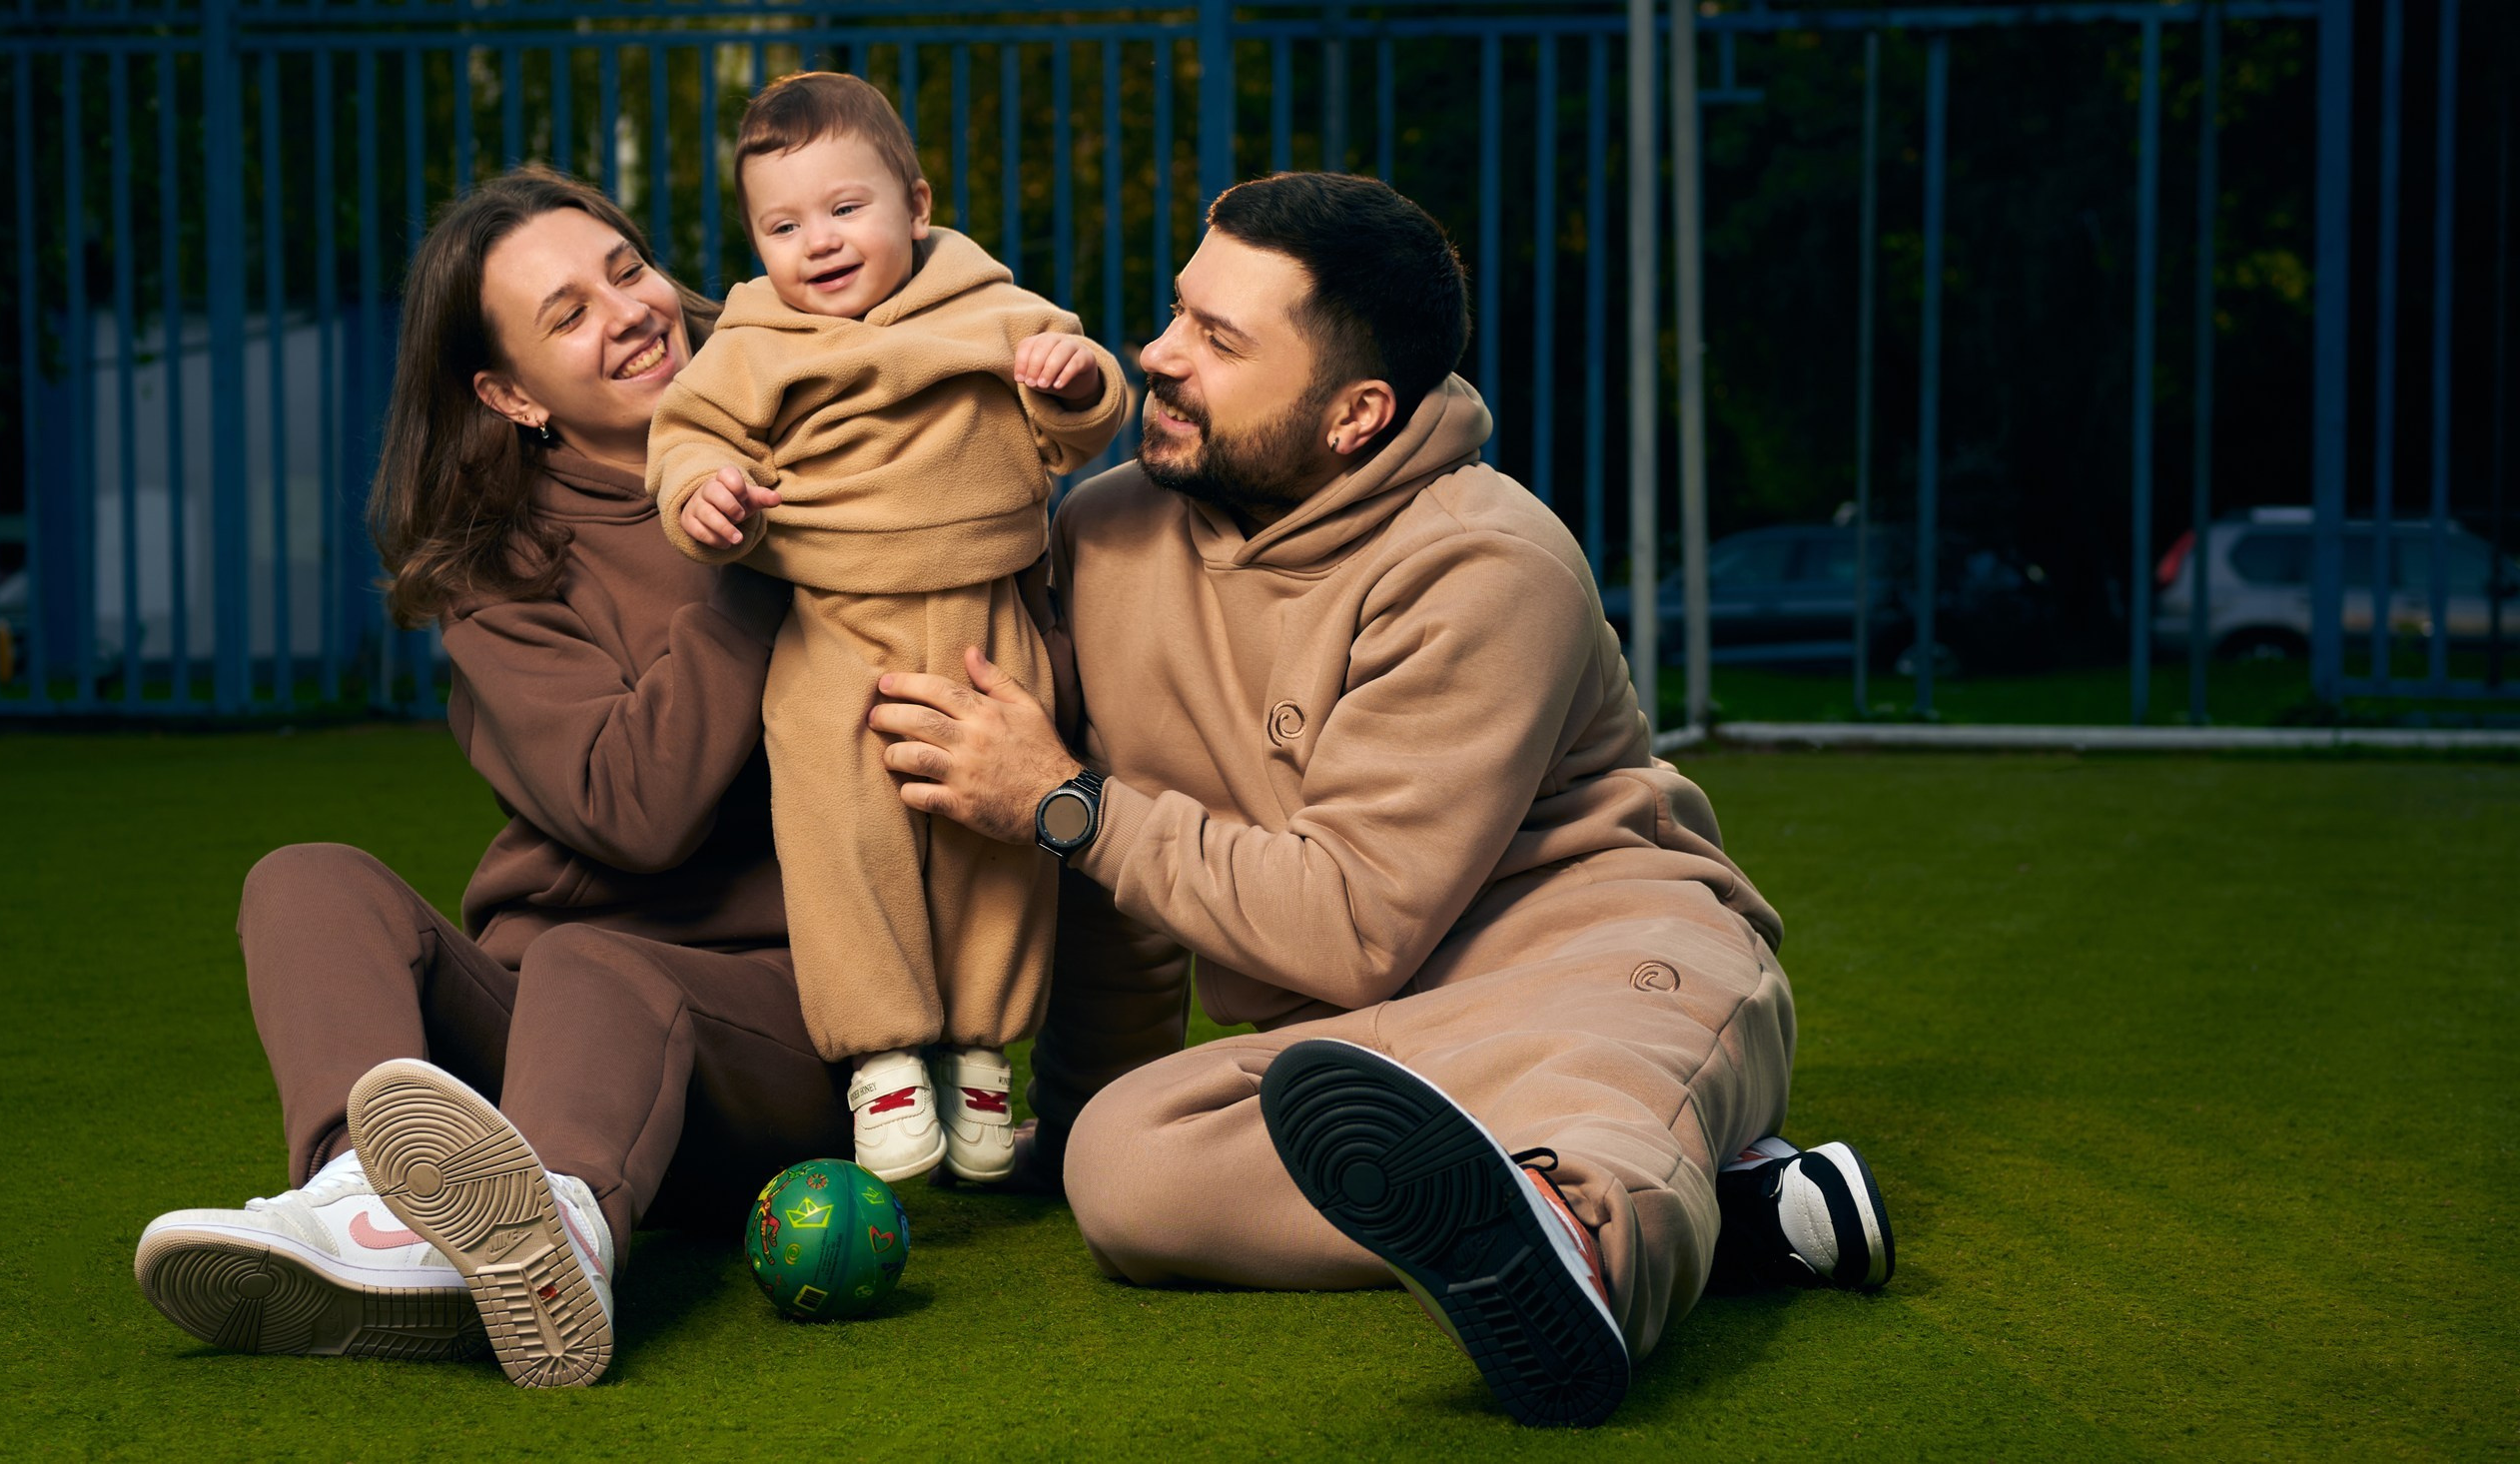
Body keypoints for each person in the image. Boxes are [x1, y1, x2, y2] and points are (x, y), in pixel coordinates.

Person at [870, 172, 1896, 1429]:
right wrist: (1079, 1097)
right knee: (1122, 1165)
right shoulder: (1109, 529)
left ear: (1354, 412)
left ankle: (1591, 1248)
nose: (1157, 357)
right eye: (1178, 312)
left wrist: (1061, 800)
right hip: (1368, 1044)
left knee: (1595, 1114)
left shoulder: (1487, 560)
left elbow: (1347, 922)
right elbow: (1129, 899)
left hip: (1599, 958)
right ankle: (1735, 1211)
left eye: (1218, 340)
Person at [133, 166, 845, 1390]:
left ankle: (557, 1240)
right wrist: (749, 574)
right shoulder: (500, 567)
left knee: (594, 952)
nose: (626, 310)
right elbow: (631, 805)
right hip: (545, 1035)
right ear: (510, 394)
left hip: (781, 1033)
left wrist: (766, 539)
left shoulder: (823, 446)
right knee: (306, 879)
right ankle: (365, 1200)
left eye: (626, 271)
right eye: (566, 313)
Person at [650, 72, 1132, 1186]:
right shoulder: (751, 343)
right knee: (844, 843)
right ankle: (882, 1059)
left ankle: (979, 1051)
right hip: (837, 638)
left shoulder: (993, 310)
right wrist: (704, 494)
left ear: (916, 205)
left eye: (844, 208)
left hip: (985, 624)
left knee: (997, 847)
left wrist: (1072, 380)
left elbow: (1091, 410)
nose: (815, 241)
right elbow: (683, 441)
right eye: (782, 224)